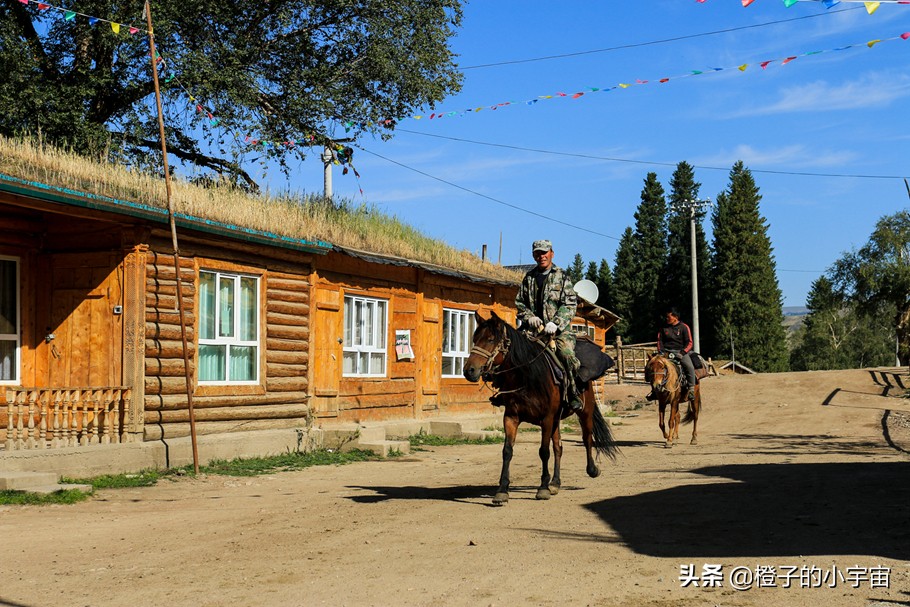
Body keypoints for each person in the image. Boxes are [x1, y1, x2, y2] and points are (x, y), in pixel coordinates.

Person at [514, 239, 583, 411]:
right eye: (538, 253)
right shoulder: (528, 278)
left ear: (552, 253)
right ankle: (508, 394)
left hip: (558, 333)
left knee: (567, 357)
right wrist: (529, 317)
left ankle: (573, 393)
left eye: (544, 252)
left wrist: (556, 323)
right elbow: (520, 303)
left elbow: (570, 304)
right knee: (509, 349)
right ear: (533, 255)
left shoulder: (562, 276)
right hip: (533, 330)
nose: (541, 256)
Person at [647, 307, 698, 402]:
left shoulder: (684, 327)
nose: (666, 319)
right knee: (652, 365)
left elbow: (690, 342)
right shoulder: (663, 328)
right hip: (665, 352)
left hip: (680, 352)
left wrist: (682, 353)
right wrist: (661, 352)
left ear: (675, 317)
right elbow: (659, 341)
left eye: (668, 317)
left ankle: (691, 389)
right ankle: (654, 390)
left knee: (689, 367)